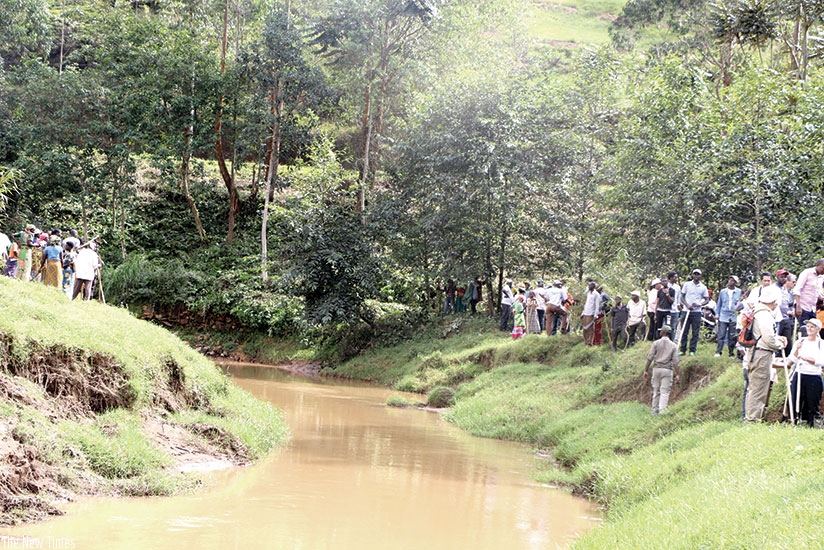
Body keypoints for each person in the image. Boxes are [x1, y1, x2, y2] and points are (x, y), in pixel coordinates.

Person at [744, 287, 787, 422]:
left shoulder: (758, 312)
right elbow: (768, 338)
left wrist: (777, 338)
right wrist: (779, 345)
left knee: (756, 387)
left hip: (756, 352)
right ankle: (753, 419)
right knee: (759, 388)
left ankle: (753, 417)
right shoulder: (764, 315)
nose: (776, 304)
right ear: (772, 301)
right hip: (761, 354)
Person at [788, 318, 824, 427]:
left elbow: (821, 362)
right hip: (799, 374)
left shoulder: (821, 344)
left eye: (812, 327)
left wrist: (806, 358)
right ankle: (796, 421)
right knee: (797, 399)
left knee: (812, 401)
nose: (809, 329)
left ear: (818, 329)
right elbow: (792, 359)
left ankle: (813, 424)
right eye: (808, 326)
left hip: (814, 375)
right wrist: (797, 350)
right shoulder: (801, 341)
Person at [643, 324, 680, 415]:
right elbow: (675, 362)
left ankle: (654, 411)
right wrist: (677, 374)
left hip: (657, 369)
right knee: (664, 392)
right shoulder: (673, 345)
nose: (659, 332)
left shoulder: (656, 343)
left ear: (663, 332)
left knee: (656, 391)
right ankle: (662, 412)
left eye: (660, 331)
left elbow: (650, 357)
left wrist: (646, 370)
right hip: (667, 370)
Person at [679, 269, 709, 356]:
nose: (696, 276)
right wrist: (687, 305)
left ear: (700, 276)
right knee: (684, 331)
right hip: (686, 311)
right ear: (692, 275)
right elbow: (682, 297)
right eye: (695, 274)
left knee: (695, 332)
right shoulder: (687, 284)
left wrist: (699, 304)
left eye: (698, 274)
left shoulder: (703, 287)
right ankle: (682, 350)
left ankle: (692, 350)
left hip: (696, 312)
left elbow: (707, 299)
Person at [715, 276, 742, 358]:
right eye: (730, 280)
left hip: (733, 315)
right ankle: (718, 351)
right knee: (721, 334)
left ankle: (731, 353)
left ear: (735, 283)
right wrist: (717, 315)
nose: (731, 282)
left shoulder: (739, 291)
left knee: (732, 336)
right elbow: (719, 304)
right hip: (723, 315)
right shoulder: (723, 292)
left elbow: (740, 303)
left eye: (733, 281)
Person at [794, 259, 824, 332]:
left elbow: (816, 291)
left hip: (812, 308)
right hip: (803, 307)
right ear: (818, 265)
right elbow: (797, 289)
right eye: (823, 268)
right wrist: (798, 306)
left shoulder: (820, 277)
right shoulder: (807, 273)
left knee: (814, 331)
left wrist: (822, 298)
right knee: (806, 330)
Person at [581, 280, 601, 346]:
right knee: (584, 328)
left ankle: (589, 343)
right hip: (586, 312)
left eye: (590, 285)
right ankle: (585, 342)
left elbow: (597, 305)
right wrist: (583, 313)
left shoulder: (596, 294)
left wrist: (595, 315)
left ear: (593, 286)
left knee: (589, 328)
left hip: (591, 313)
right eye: (588, 285)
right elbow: (586, 303)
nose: (589, 286)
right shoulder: (588, 293)